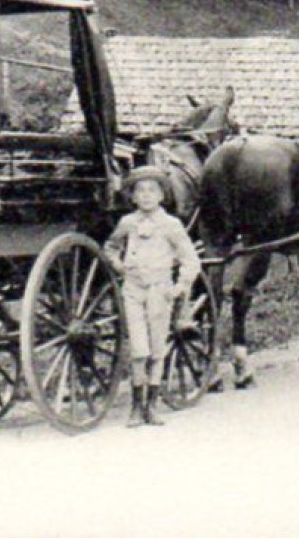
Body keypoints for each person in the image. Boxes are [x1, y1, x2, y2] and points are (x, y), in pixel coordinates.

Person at [106, 166, 202, 428]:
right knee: (139, 349)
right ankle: (136, 408)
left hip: (160, 290)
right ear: (133, 197)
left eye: (152, 190)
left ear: (162, 195)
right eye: (140, 191)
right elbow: (111, 247)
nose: (146, 196)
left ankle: (152, 406)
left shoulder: (171, 225)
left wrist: (180, 286)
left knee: (157, 349)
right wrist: (119, 265)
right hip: (133, 290)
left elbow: (190, 259)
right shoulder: (127, 223)